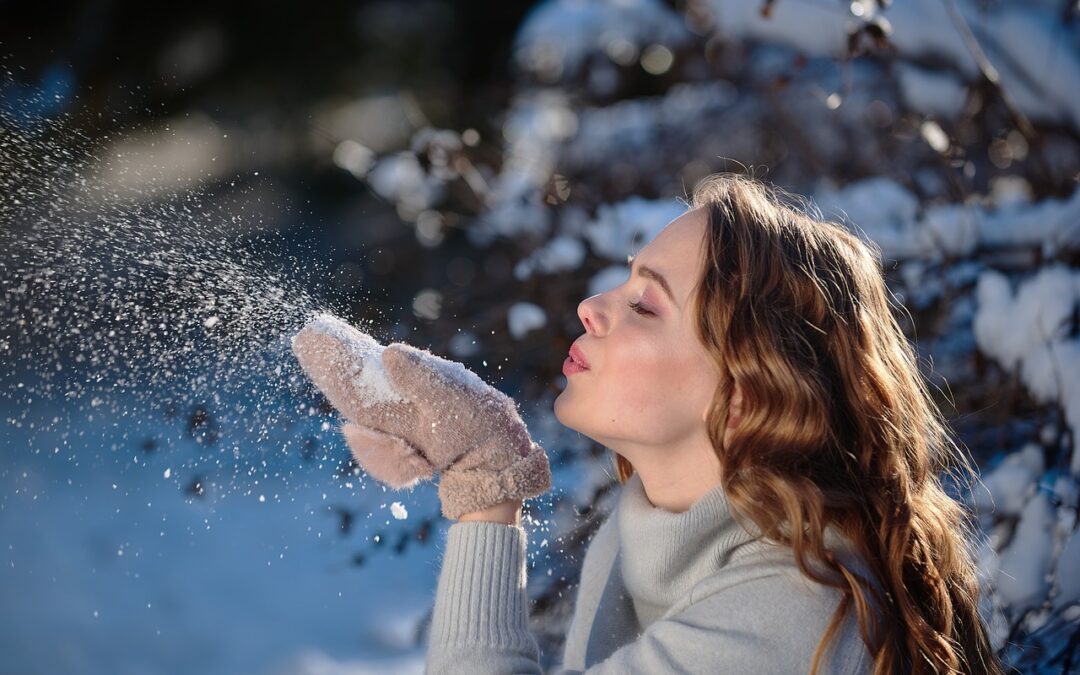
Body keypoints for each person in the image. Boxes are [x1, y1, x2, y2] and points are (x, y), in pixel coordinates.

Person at [292, 173, 1005, 674]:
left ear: (746, 395)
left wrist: (486, 485)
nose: (592, 306)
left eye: (645, 305)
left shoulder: (793, 615)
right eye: (625, 281)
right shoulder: (647, 536)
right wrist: (483, 476)